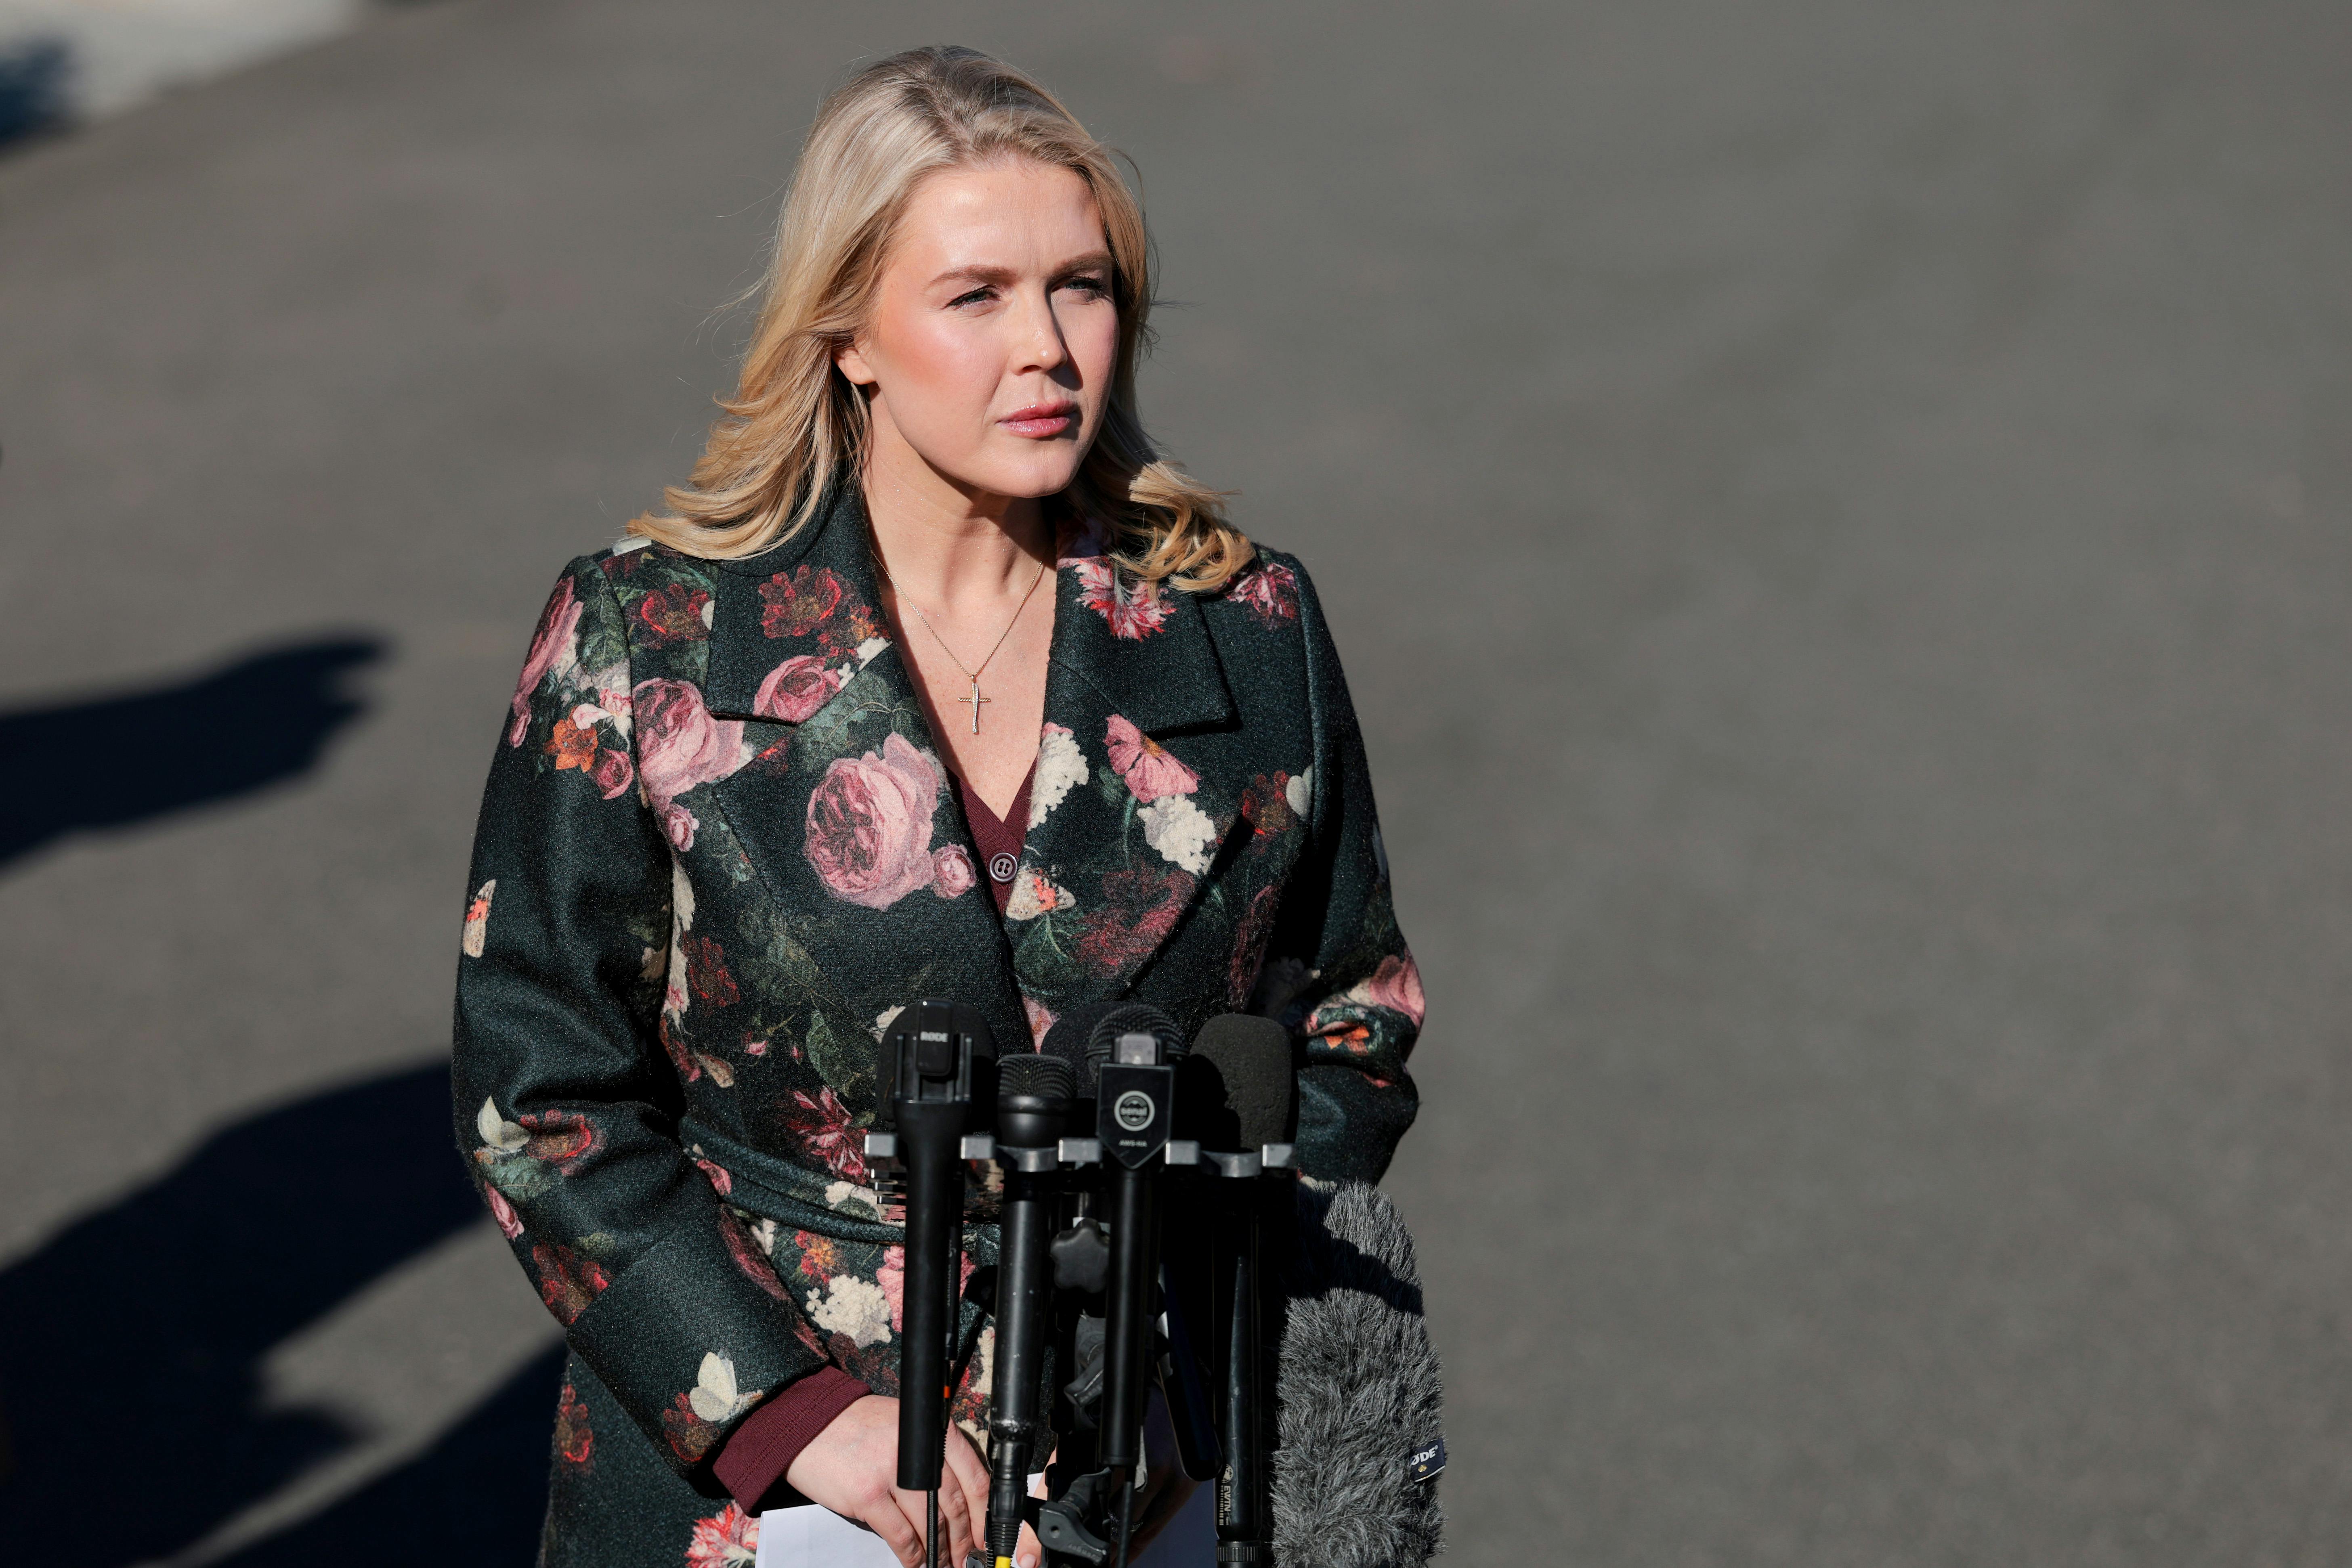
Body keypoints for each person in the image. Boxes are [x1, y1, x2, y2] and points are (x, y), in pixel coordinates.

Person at [452, 45, 1425, 1568]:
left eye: (1080, 287)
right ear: (849, 329)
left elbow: (1345, 1025)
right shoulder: (648, 643)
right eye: (973, 296)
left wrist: (1181, 1383)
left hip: (1140, 1484)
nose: (1043, 348)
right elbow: (541, 1093)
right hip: (762, 1496)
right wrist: (798, 1415)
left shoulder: (1243, 628)